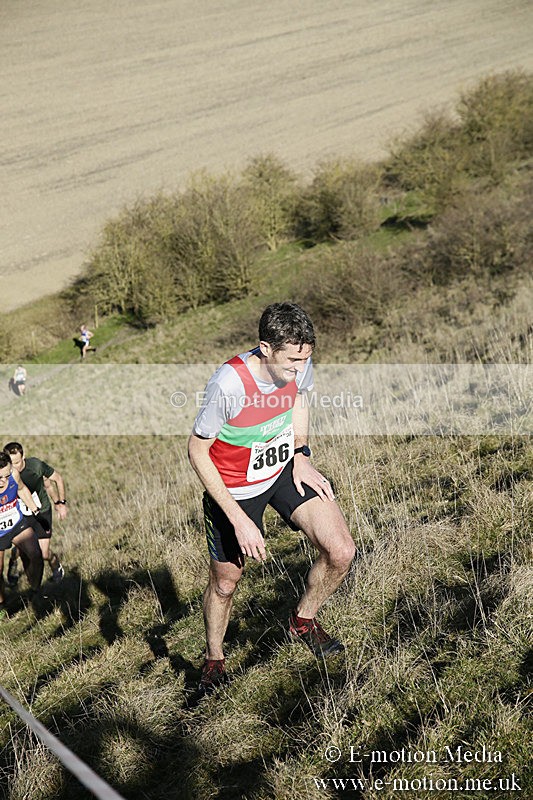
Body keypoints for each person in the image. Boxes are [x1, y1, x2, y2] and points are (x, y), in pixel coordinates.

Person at [188, 302, 356, 692]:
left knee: (341, 551)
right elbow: (197, 451)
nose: (300, 368)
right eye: (292, 361)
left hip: (283, 471)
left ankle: (303, 621)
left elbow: (299, 398)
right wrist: (239, 518)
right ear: (265, 348)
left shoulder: (297, 361)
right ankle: (214, 660)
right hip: (235, 491)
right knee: (226, 584)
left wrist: (301, 454)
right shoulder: (228, 384)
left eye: (306, 359)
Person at [3, 442, 67, 585]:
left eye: (18, 462)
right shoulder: (6, 475)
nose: (16, 468)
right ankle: (14, 562)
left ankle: (55, 565)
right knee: (21, 551)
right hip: (21, 514)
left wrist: (60, 503)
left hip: (41, 511)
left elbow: (55, 480)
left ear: (24, 456)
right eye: (11, 464)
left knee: (43, 553)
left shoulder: (35, 466)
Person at [0, 451, 43, 610]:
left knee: (36, 554)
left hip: (16, 523)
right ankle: (2, 605)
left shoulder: (14, 474)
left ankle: (36, 591)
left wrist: (35, 510)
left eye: (6, 475)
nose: (4, 481)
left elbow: (22, 489)